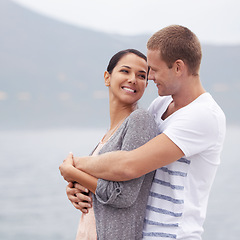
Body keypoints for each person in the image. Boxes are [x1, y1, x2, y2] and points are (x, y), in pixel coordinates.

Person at [66, 25, 226, 239]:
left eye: (154, 70)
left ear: (178, 67)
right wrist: (78, 184)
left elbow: (128, 165)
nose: (149, 77)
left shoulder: (204, 116)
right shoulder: (159, 106)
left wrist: (73, 166)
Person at [59, 49, 158, 239]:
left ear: (146, 84)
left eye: (141, 75)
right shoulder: (107, 137)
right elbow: (98, 189)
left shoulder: (140, 120)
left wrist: (72, 172)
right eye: (125, 71)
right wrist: (75, 186)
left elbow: (123, 196)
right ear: (107, 77)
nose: (133, 79)